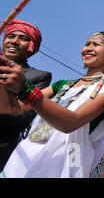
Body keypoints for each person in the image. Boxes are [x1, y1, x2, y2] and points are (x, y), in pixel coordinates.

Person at [0, 31, 104, 177]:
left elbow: (70, 123)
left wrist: (25, 88)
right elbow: (15, 107)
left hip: (62, 166)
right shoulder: (62, 85)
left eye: (96, 44)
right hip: (24, 161)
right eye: (87, 44)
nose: (88, 48)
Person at [0, 19, 52, 171]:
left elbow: (21, 119)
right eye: (11, 36)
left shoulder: (39, 77)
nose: (14, 41)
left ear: (31, 47)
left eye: (22, 38)